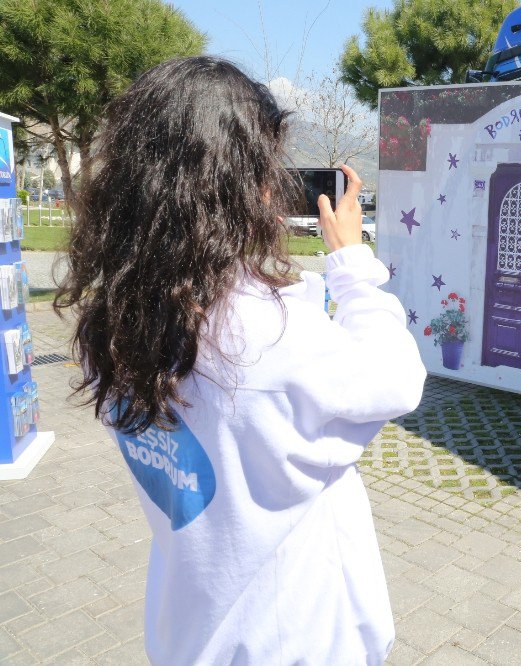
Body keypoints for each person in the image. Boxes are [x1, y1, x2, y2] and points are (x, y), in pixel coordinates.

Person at [54, 57, 426, 665]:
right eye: (265, 166)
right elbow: (397, 378)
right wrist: (353, 265)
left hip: (189, 630)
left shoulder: (119, 320)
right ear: (231, 183)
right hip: (293, 644)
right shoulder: (269, 340)